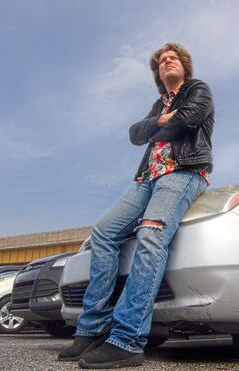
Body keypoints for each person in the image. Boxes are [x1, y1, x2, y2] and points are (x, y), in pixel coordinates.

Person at [59, 42, 214, 369]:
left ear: (184, 66)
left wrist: (158, 126)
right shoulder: (159, 103)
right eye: (161, 62)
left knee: (150, 234)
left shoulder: (198, 89)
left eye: (173, 59)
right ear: (158, 74)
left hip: (183, 173)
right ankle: (92, 328)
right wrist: (159, 120)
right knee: (103, 233)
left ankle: (127, 339)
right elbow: (134, 134)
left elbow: (185, 122)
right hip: (147, 178)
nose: (167, 62)